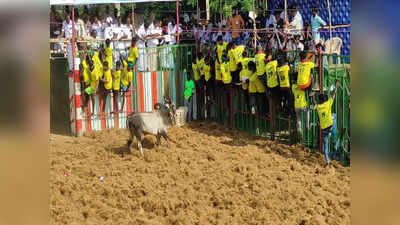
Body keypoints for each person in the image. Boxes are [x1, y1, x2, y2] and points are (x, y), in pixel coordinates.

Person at [313, 79, 340, 166]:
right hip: (330, 125)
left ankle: (327, 161)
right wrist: (336, 84)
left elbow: (314, 103)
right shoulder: (328, 104)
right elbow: (334, 94)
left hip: (324, 128)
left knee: (325, 146)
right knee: (334, 116)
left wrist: (311, 96)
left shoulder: (318, 107)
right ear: (325, 99)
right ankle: (336, 151)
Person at [292, 73, 310, 142]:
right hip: (303, 104)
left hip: (296, 105)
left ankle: (299, 129)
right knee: (308, 111)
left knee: (298, 118)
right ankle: (307, 125)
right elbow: (306, 87)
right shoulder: (301, 86)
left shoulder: (293, 86)